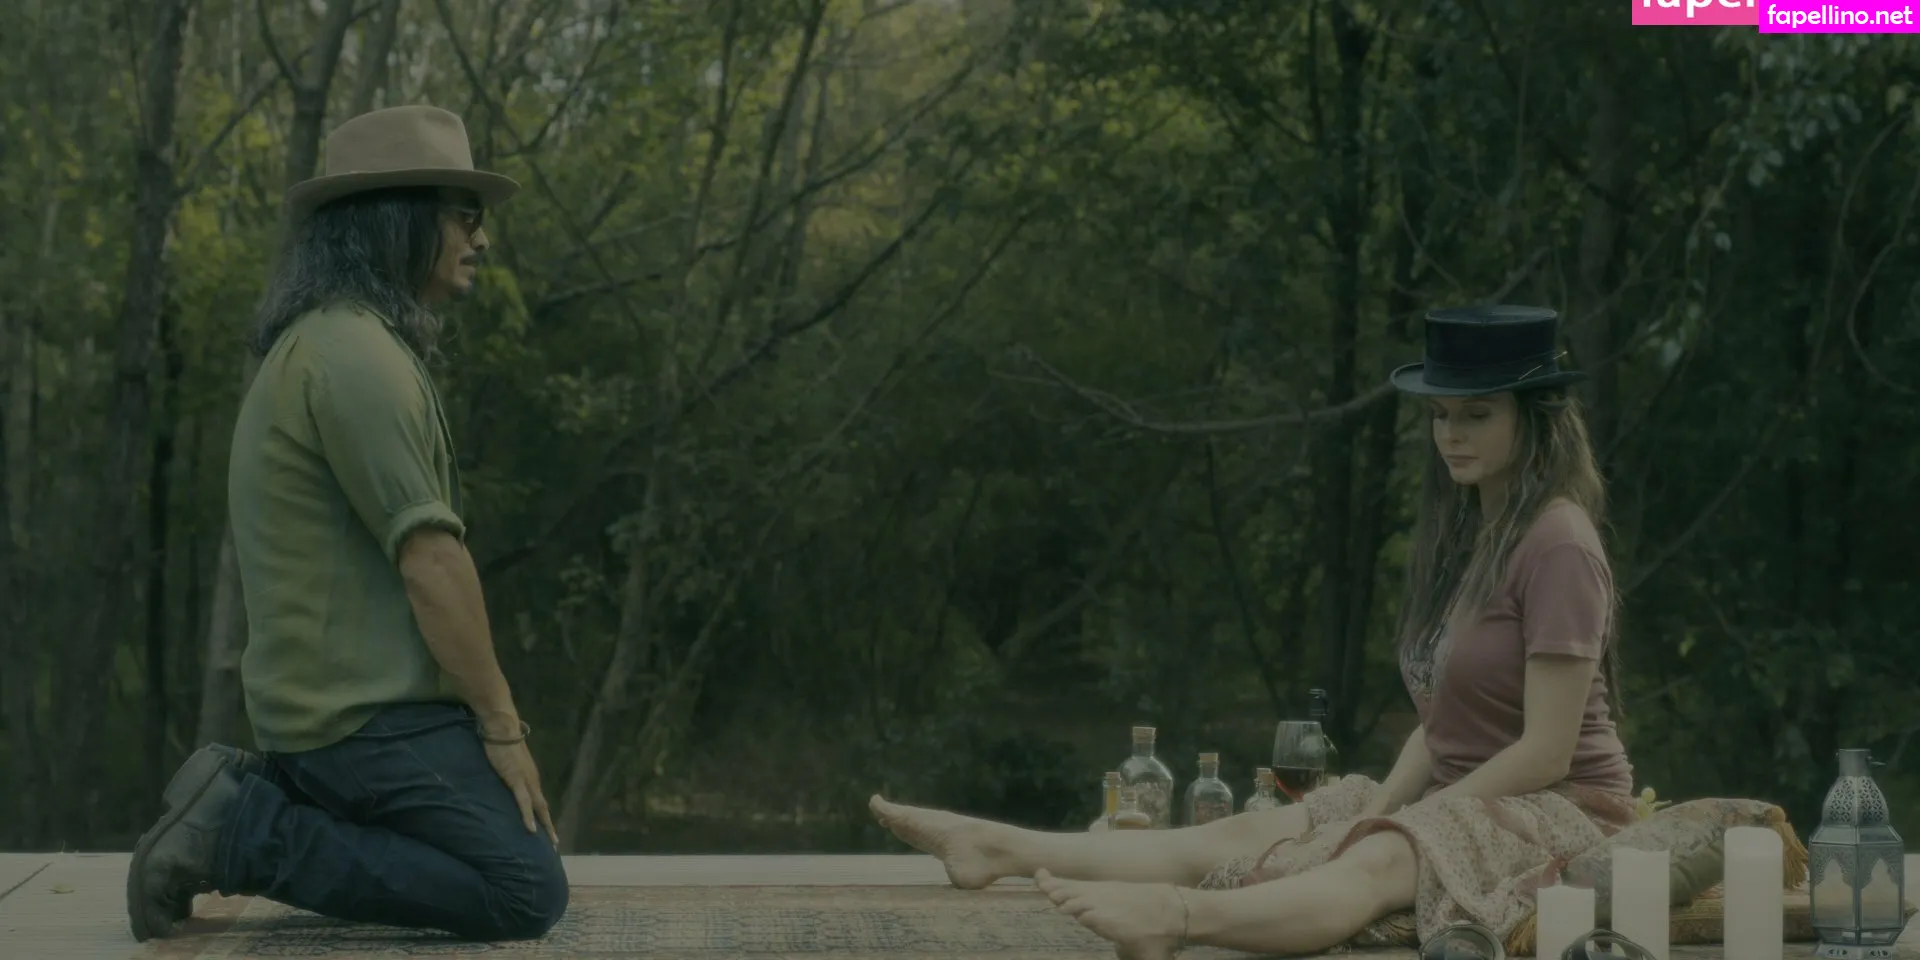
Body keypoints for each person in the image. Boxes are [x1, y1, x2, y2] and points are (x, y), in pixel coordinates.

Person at [869, 305, 1638, 959]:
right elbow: (1443, 727)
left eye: (1476, 414)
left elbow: (1546, 750)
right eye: (1440, 415)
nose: (1450, 435)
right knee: (1249, 833)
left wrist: (1409, 823)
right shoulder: (1480, 534)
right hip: (1458, 793)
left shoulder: (1559, 543)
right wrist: (1384, 805)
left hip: (1557, 806)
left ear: (1535, 419)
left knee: (1372, 862)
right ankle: (998, 847)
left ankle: (1177, 920)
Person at [124, 105, 569, 944]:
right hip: (363, 722)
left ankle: (257, 799)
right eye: (463, 214)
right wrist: (502, 728)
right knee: (523, 889)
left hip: (340, 716)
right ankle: (243, 831)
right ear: (397, 219)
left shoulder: (335, 342)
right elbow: (432, 563)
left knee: (514, 857)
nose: (481, 237)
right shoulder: (355, 358)